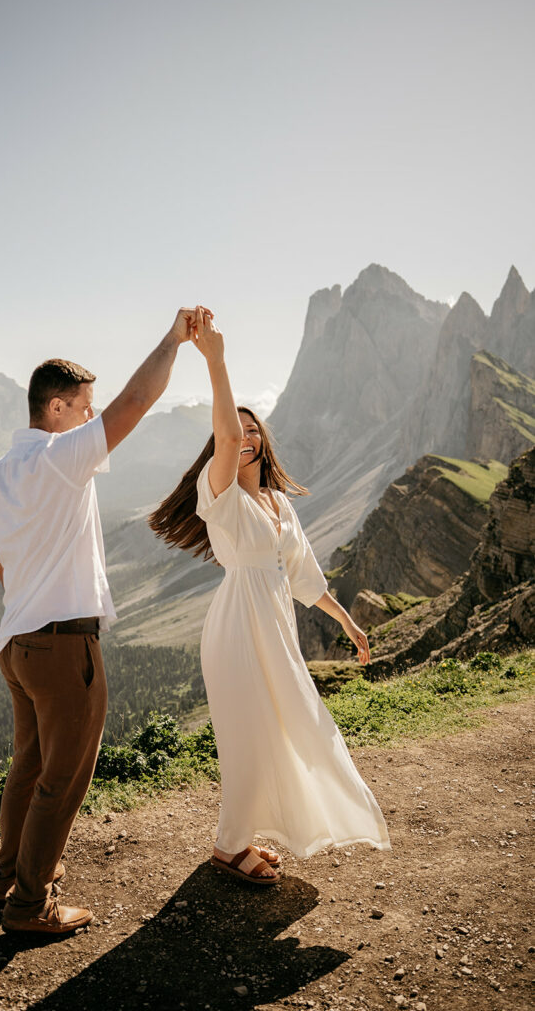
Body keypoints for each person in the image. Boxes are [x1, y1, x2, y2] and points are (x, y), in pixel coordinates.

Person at [0, 306, 206, 933]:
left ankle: (9, 879)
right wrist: (174, 339)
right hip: (61, 645)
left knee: (28, 767)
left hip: (17, 644)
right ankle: (30, 905)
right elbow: (136, 401)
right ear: (55, 410)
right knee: (63, 778)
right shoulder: (60, 457)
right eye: (83, 406)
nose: (90, 417)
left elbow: (0, 562)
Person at [149, 310, 391, 884]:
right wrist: (215, 359)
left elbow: (307, 577)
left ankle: (243, 837)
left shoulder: (281, 507)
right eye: (237, 430)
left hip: (275, 624)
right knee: (248, 732)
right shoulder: (221, 491)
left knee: (286, 726)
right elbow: (227, 435)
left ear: (266, 439)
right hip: (236, 627)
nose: (247, 434)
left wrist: (350, 626)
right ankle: (229, 847)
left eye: (255, 427)